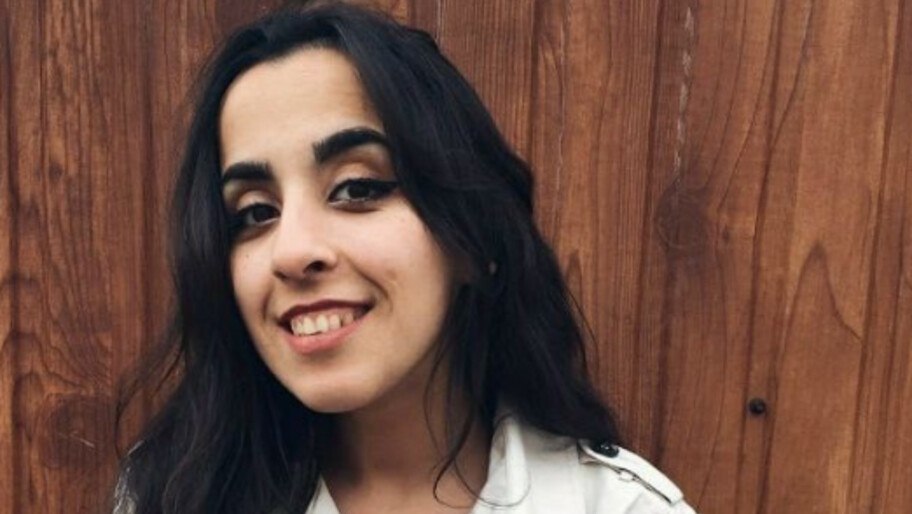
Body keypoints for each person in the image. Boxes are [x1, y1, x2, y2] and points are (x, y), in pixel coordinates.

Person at [114, 1, 696, 513]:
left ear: (473, 239)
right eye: (254, 213)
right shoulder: (169, 496)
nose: (291, 251)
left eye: (357, 188)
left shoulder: (621, 506)